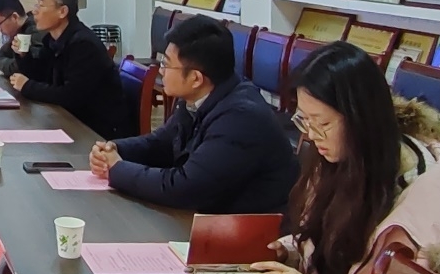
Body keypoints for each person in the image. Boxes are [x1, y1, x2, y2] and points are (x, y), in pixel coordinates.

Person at [249, 41, 440, 274]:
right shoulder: (341, 158)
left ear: (361, 119)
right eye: (304, 120)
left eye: (323, 123)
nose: (312, 135)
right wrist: (291, 250)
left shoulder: (434, 198)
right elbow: (335, 243)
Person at [89, 16, 298, 212]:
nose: (161, 70)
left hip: (251, 228)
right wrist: (115, 149)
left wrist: (118, 169)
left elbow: (183, 188)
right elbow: (162, 143)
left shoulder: (241, 118)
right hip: (210, 217)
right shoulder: (199, 96)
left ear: (196, 78)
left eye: (166, 64)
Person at [8, 0, 126, 138]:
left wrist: (27, 86)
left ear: (62, 11)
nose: (34, 11)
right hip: (68, 119)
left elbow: (70, 96)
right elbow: (40, 75)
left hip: (94, 130)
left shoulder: (84, 45)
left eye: (41, 5)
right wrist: (23, 55)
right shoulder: (52, 39)